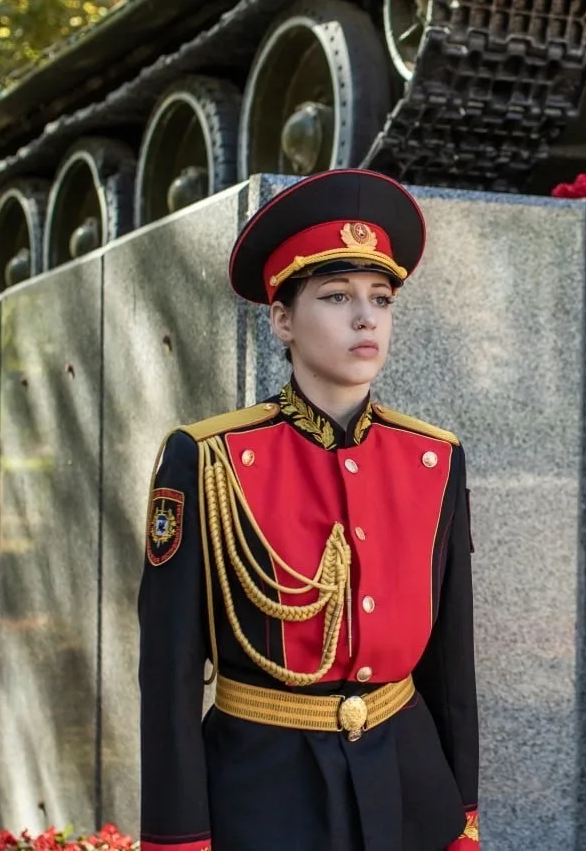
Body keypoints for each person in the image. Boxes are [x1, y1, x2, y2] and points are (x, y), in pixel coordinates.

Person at [136, 169, 480, 851]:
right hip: (264, 793)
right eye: (336, 296)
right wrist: (178, 837)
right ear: (283, 320)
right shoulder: (209, 459)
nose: (365, 317)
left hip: (411, 790)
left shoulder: (434, 459)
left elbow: (451, 663)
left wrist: (462, 810)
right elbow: (168, 674)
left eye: (380, 299)